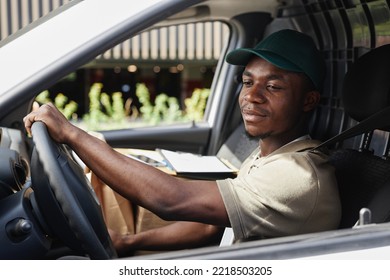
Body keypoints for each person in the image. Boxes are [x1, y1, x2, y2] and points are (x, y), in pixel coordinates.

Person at [23, 29, 341, 257]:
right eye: (247, 82)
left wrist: (72, 134)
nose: (251, 96)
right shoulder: (271, 155)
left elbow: (172, 201)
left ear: (308, 100)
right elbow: (210, 227)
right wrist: (128, 243)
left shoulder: (296, 174)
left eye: (272, 86)